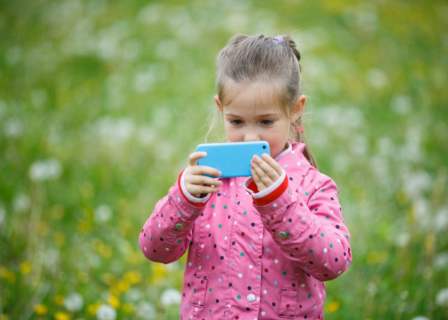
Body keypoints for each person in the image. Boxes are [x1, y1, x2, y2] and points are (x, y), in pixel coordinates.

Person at [139, 33, 352, 320]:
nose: (250, 136)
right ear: (221, 109)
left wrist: (280, 201)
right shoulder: (205, 181)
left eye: (266, 122)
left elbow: (333, 262)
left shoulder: (312, 185)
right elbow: (154, 249)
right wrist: (183, 199)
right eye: (237, 122)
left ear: (294, 110)